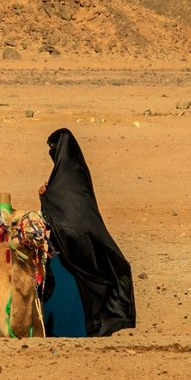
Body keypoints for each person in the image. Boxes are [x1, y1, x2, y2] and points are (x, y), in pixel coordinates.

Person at [37, 128, 136, 337]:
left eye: (54, 150)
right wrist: (46, 198)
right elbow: (56, 216)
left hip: (76, 257)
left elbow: (76, 216)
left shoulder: (72, 178)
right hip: (64, 256)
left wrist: (51, 199)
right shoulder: (61, 181)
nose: (52, 154)